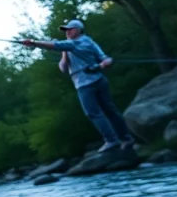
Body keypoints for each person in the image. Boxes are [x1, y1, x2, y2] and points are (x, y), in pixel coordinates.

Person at [21, 20, 135, 152]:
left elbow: (54, 45)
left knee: (94, 113)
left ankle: (111, 140)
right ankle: (126, 139)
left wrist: (34, 43)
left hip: (86, 85)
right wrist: (65, 54)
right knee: (110, 111)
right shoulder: (83, 43)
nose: (67, 32)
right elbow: (63, 68)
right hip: (97, 80)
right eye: (66, 30)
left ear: (79, 30)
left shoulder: (78, 42)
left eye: (70, 29)